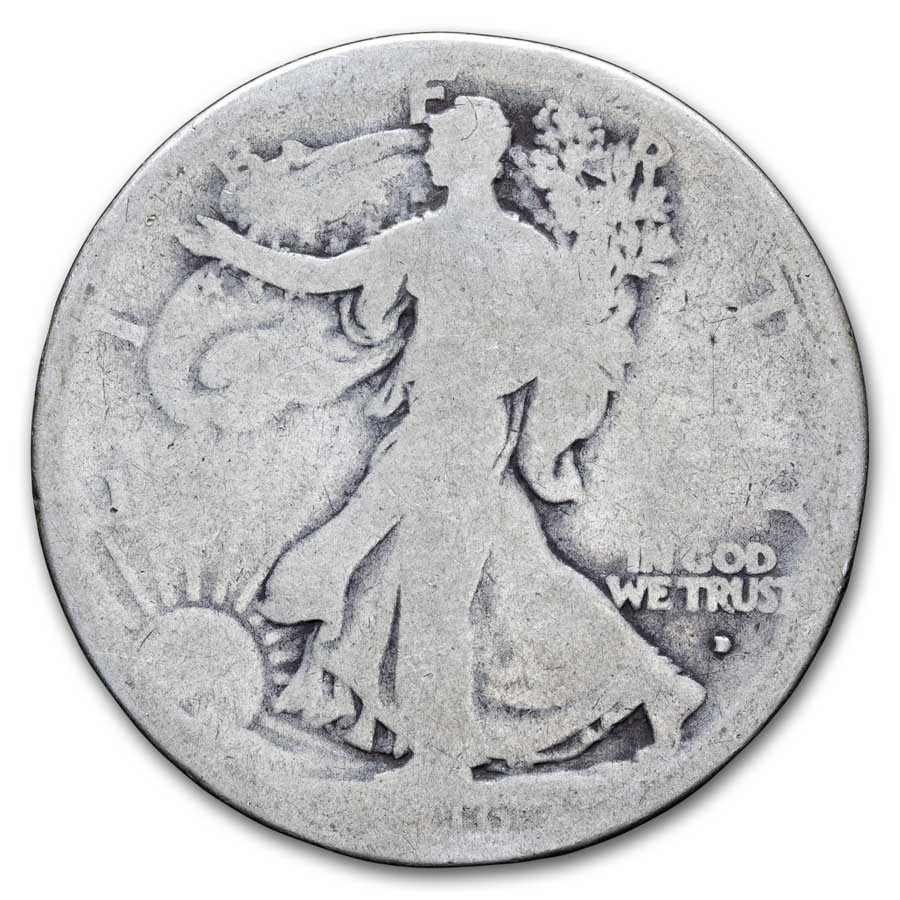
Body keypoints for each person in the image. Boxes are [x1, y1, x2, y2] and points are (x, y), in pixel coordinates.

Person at [179, 96, 704, 779]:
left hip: (452, 433)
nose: (429, 151)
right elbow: (331, 279)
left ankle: (441, 755)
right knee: (518, 576)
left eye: (440, 141)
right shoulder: (508, 246)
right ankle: (660, 684)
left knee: (432, 594)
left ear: (468, 155)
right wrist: (235, 249)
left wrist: (481, 380)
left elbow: (546, 346)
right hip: (461, 428)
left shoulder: (439, 243)